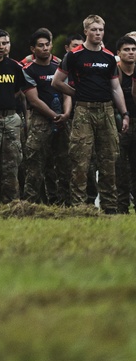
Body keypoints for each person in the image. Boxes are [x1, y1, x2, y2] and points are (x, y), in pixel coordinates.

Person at [0, 29, 55, 206]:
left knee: (12, 163)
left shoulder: (14, 67)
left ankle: (11, 203)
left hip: (11, 118)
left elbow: (19, 92)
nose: (1, 47)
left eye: (5, 43)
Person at [53, 14, 130, 212]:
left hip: (106, 111)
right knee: (80, 159)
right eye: (94, 30)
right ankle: (79, 207)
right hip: (83, 111)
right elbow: (57, 82)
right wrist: (76, 94)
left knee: (109, 159)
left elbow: (116, 88)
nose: (97, 33)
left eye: (101, 30)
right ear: (86, 31)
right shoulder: (74, 55)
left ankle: (110, 207)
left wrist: (125, 113)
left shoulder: (109, 57)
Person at [22, 28, 70, 205]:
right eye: (40, 46)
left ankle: (65, 203)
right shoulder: (28, 70)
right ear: (33, 49)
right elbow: (33, 100)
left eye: (47, 45)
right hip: (40, 120)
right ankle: (30, 204)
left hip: (63, 118)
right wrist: (54, 116)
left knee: (64, 163)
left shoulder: (60, 65)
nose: (44, 48)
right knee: (35, 163)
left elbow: (67, 94)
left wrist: (66, 114)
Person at [114, 35, 136, 212]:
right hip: (119, 124)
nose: (131, 53)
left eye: (133, 50)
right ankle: (121, 207)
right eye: (127, 50)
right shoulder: (114, 72)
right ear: (119, 53)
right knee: (119, 167)